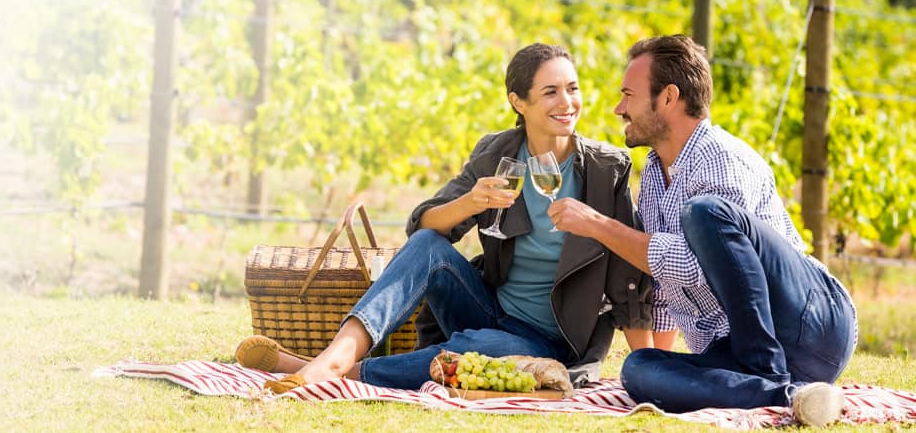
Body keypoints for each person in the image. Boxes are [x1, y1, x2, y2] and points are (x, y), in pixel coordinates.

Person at [236, 42, 659, 393]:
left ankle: (335, 371)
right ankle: (339, 355)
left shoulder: (607, 170)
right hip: (489, 309)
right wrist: (472, 202)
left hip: (552, 340)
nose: (568, 103)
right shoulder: (497, 155)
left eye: (572, 88)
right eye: (550, 92)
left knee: (482, 346)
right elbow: (424, 226)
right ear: (519, 102)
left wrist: (644, 371)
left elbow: (629, 279)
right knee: (428, 248)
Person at [545, 35, 858, 426]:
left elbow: (696, 267)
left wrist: (596, 225)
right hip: (737, 348)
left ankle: (764, 370)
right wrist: (661, 358)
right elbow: (665, 286)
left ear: (668, 98)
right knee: (639, 370)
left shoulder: (720, 159)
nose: (618, 108)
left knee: (704, 213)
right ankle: (793, 395)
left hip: (811, 324)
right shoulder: (657, 175)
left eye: (629, 95)